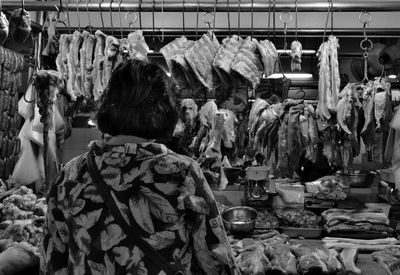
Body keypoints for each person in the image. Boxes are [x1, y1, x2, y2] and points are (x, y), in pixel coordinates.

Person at [40, 59, 238, 275]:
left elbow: (52, 263)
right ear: (166, 111)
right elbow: (217, 260)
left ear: (107, 105)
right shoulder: (182, 171)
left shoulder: (68, 176)